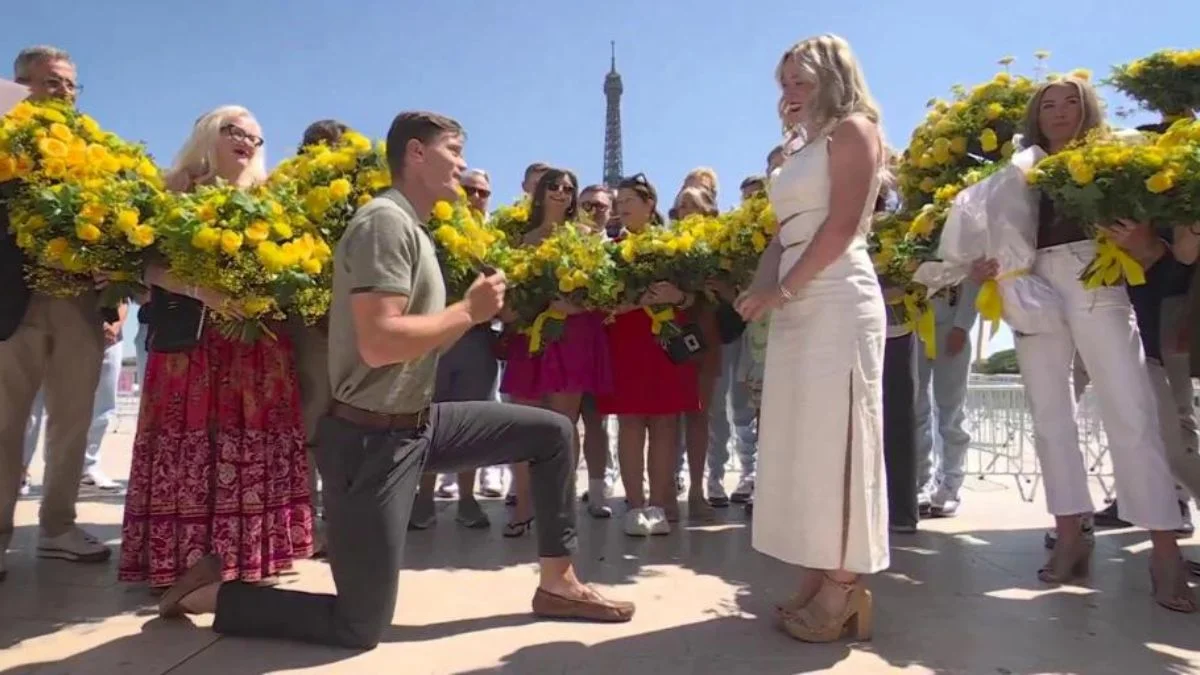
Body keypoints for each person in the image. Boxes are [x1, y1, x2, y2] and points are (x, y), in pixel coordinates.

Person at [157, 111, 634, 649]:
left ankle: (558, 583)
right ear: (415, 153)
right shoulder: (383, 223)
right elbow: (380, 342)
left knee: (551, 433)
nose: (463, 162)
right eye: (454, 149)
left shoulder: (415, 229)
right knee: (360, 625)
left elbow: (416, 342)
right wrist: (469, 313)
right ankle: (215, 595)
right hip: (369, 440)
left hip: (417, 424)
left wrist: (475, 315)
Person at [970, 76, 1194, 612]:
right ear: (1035, 115)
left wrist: (1141, 241)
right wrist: (982, 262)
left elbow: (1156, 240)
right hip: (1028, 282)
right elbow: (992, 231)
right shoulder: (1015, 171)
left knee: (1131, 411)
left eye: (1071, 101)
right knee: (1049, 417)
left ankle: (1164, 549)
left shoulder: (1117, 157)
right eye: (1048, 103)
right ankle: (1070, 532)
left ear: (1089, 108)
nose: (1060, 110)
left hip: (1096, 275)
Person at [118, 106, 315, 588]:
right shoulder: (176, 187)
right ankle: (178, 562)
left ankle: (247, 557)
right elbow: (140, 266)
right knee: (186, 445)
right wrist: (203, 291)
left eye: (255, 137)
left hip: (255, 346)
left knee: (249, 444)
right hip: (191, 343)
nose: (246, 141)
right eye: (234, 130)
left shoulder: (272, 201)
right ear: (209, 133)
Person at [736, 34, 888, 643]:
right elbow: (784, 234)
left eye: (802, 81)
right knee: (802, 444)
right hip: (799, 296)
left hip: (838, 295)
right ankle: (817, 568)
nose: (790, 93)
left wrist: (783, 291)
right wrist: (759, 289)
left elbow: (843, 223)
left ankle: (845, 587)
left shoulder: (855, 129)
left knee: (842, 439)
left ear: (832, 77)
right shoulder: (799, 147)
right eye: (785, 83)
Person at [1, 45, 110, 582]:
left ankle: (58, 527)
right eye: (52, 82)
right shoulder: (3, 137)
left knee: (72, 421)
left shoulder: (92, 149)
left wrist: (111, 304)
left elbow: (116, 228)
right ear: (20, 85)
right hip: (11, 302)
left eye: (70, 83)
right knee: (3, 425)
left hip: (77, 304)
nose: (64, 91)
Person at [499, 169, 615, 529]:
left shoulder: (587, 237)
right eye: (554, 186)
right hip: (527, 337)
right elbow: (507, 296)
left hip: (573, 337)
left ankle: (560, 509)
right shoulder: (519, 241)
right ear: (540, 192)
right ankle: (524, 506)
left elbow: (603, 293)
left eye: (569, 188)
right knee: (523, 425)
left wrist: (573, 307)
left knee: (562, 428)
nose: (562, 192)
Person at [595, 173, 701, 535]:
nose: (622, 208)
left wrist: (678, 297)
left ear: (650, 205)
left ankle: (659, 503)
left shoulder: (675, 245)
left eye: (629, 202)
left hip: (667, 342)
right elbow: (601, 300)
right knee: (630, 422)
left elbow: (696, 297)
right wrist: (631, 303)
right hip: (627, 341)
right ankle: (635, 505)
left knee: (666, 423)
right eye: (618, 203)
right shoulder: (609, 250)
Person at [411, 167, 503, 530]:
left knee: (472, 422)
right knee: (428, 418)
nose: (476, 198)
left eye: (483, 192)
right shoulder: (432, 229)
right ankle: (424, 499)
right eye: (470, 191)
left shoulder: (496, 239)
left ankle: (468, 500)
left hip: (478, 340)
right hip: (437, 335)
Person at [914, 277, 980, 517]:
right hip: (914, 320)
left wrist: (962, 325)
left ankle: (950, 485)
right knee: (915, 410)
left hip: (952, 321)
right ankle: (920, 482)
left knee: (951, 410)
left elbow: (974, 278)